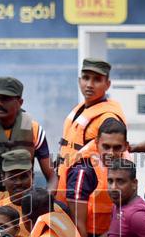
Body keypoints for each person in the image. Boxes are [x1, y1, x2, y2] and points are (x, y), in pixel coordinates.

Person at [54, 58, 126, 191]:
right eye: (86, 78)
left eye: (97, 80)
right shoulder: (81, 109)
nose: (89, 84)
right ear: (79, 80)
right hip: (67, 181)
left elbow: (114, 158)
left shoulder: (108, 118)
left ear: (107, 84)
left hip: (87, 189)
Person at [64, 117, 129, 237]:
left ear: (125, 146)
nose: (110, 153)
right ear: (97, 142)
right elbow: (78, 224)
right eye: (106, 146)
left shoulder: (126, 167)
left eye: (116, 148)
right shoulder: (83, 171)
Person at [0, 147, 36, 237]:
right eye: (12, 177)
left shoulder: (45, 207)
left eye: (24, 177)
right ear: (3, 179)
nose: (18, 182)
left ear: (32, 177)